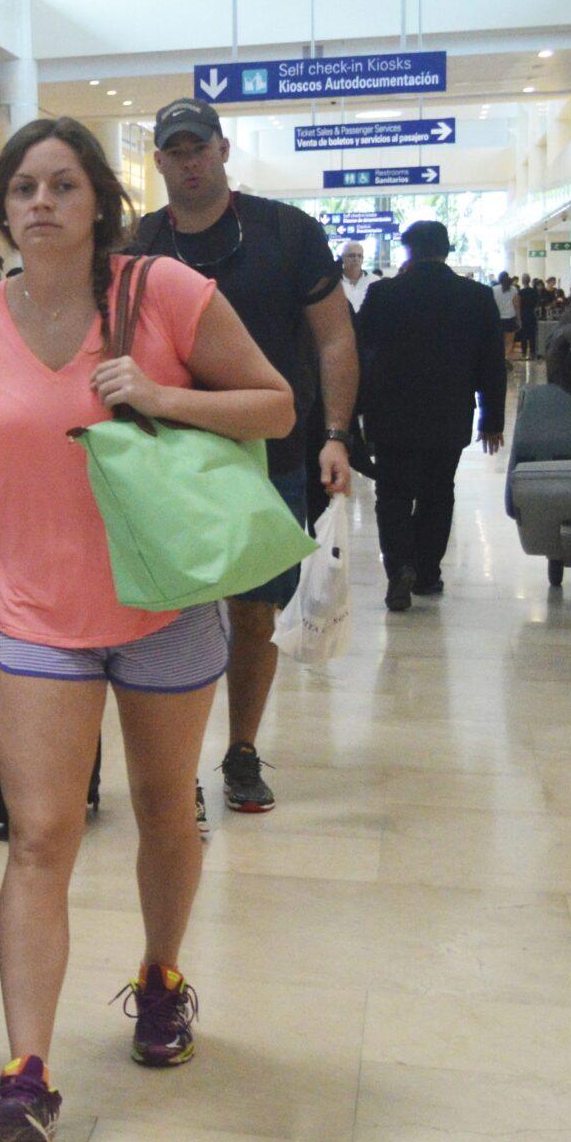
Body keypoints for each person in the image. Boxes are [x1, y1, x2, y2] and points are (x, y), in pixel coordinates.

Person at [0, 117, 294, 1142]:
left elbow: (276, 406)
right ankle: (25, 1073)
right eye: (22, 187)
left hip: (161, 604)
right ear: (1, 207)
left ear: (98, 201)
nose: (42, 203)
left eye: (63, 185)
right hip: (36, 611)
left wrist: (156, 394)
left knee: (165, 810)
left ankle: (159, 976)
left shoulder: (160, 292)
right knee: (38, 835)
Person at [128, 96, 357, 817]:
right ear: (159, 160)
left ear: (223, 151)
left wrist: (338, 433)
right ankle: (176, 766)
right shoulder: (137, 245)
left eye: (200, 147)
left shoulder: (286, 233)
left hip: (273, 449)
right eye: (175, 150)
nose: (189, 161)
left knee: (256, 608)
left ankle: (243, 747)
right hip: (167, 458)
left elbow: (334, 337)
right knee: (174, 612)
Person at [354, 222, 508, 610]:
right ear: (447, 250)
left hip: (392, 414)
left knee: (392, 494)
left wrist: (355, 413)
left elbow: (360, 354)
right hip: (449, 412)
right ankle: (426, 574)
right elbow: (492, 362)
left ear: (407, 250)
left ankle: (398, 570)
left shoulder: (383, 293)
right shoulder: (475, 296)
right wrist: (492, 420)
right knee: (438, 493)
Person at [337, 242, 372, 313]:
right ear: (342, 258)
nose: (356, 259)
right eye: (351, 256)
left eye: (359, 256)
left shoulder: (374, 281)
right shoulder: (334, 283)